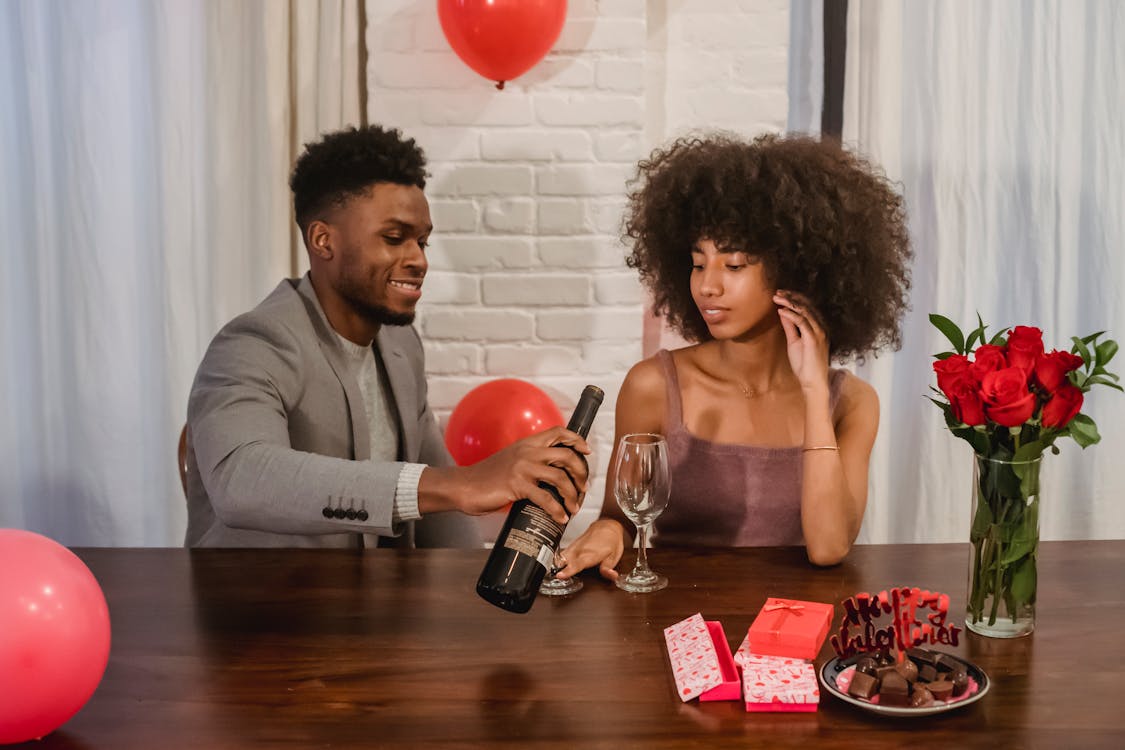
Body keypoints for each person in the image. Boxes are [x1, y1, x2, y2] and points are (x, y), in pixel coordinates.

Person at [184, 125, 589, 547]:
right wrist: (462, 483)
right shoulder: (254, 343)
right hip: (257, 607)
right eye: (394, 239)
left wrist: (477, 587)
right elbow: (242, 480)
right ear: (323, 240)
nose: (418, 260)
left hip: (368, 608)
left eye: (422, 242)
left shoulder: (400, 346)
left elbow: (442, 502)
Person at [555, 132, 912, 576]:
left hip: (796, 627)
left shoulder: (852, 403)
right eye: (698, 263)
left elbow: (828, 547)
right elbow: (622, 519)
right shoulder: (654, 386)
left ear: (797, 269)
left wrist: (815, 392)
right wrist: (610, 531)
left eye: (734, 265)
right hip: (680, 624)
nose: (708, 286)